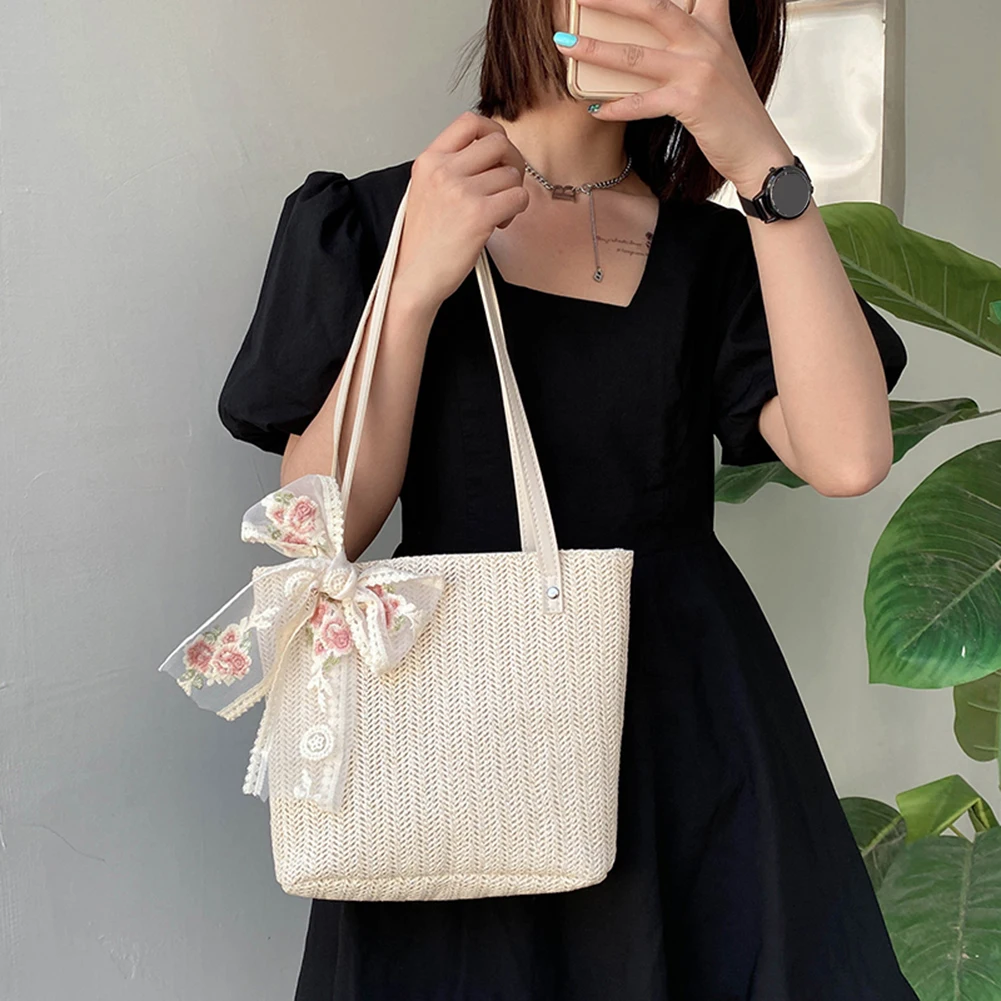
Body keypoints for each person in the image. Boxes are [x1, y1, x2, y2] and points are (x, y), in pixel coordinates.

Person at [217, 0, 920, 997]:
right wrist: (412, 285)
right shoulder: (372, 217)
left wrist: (761, 161)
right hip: (454, 721)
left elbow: (847, 456)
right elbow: (316, 527)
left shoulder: (719, 251)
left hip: (681, 729)